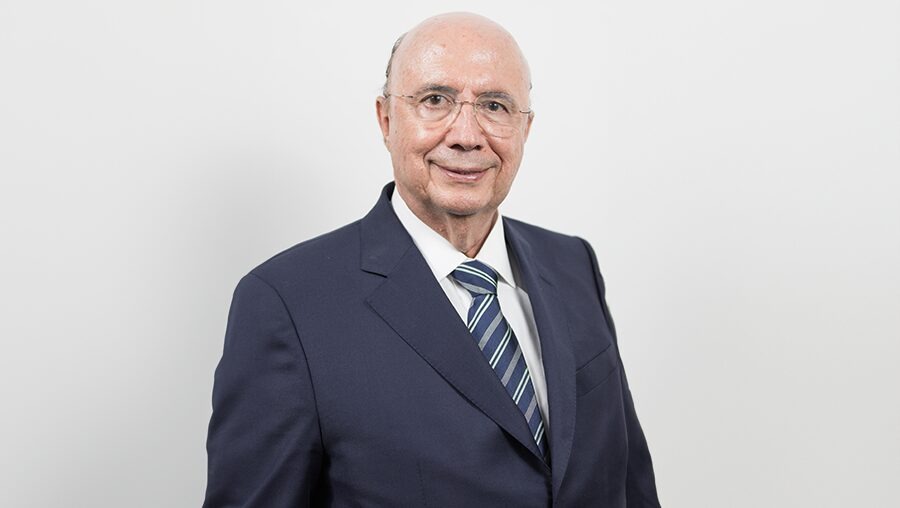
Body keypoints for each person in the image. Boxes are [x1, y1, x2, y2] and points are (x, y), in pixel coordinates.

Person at [204, 12, 660, 507]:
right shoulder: (287, 305)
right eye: (435, 100)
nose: (467, 134)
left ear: (525, 128)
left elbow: (630, 485)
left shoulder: (573, 265)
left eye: (495, 105)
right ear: (386, 120)